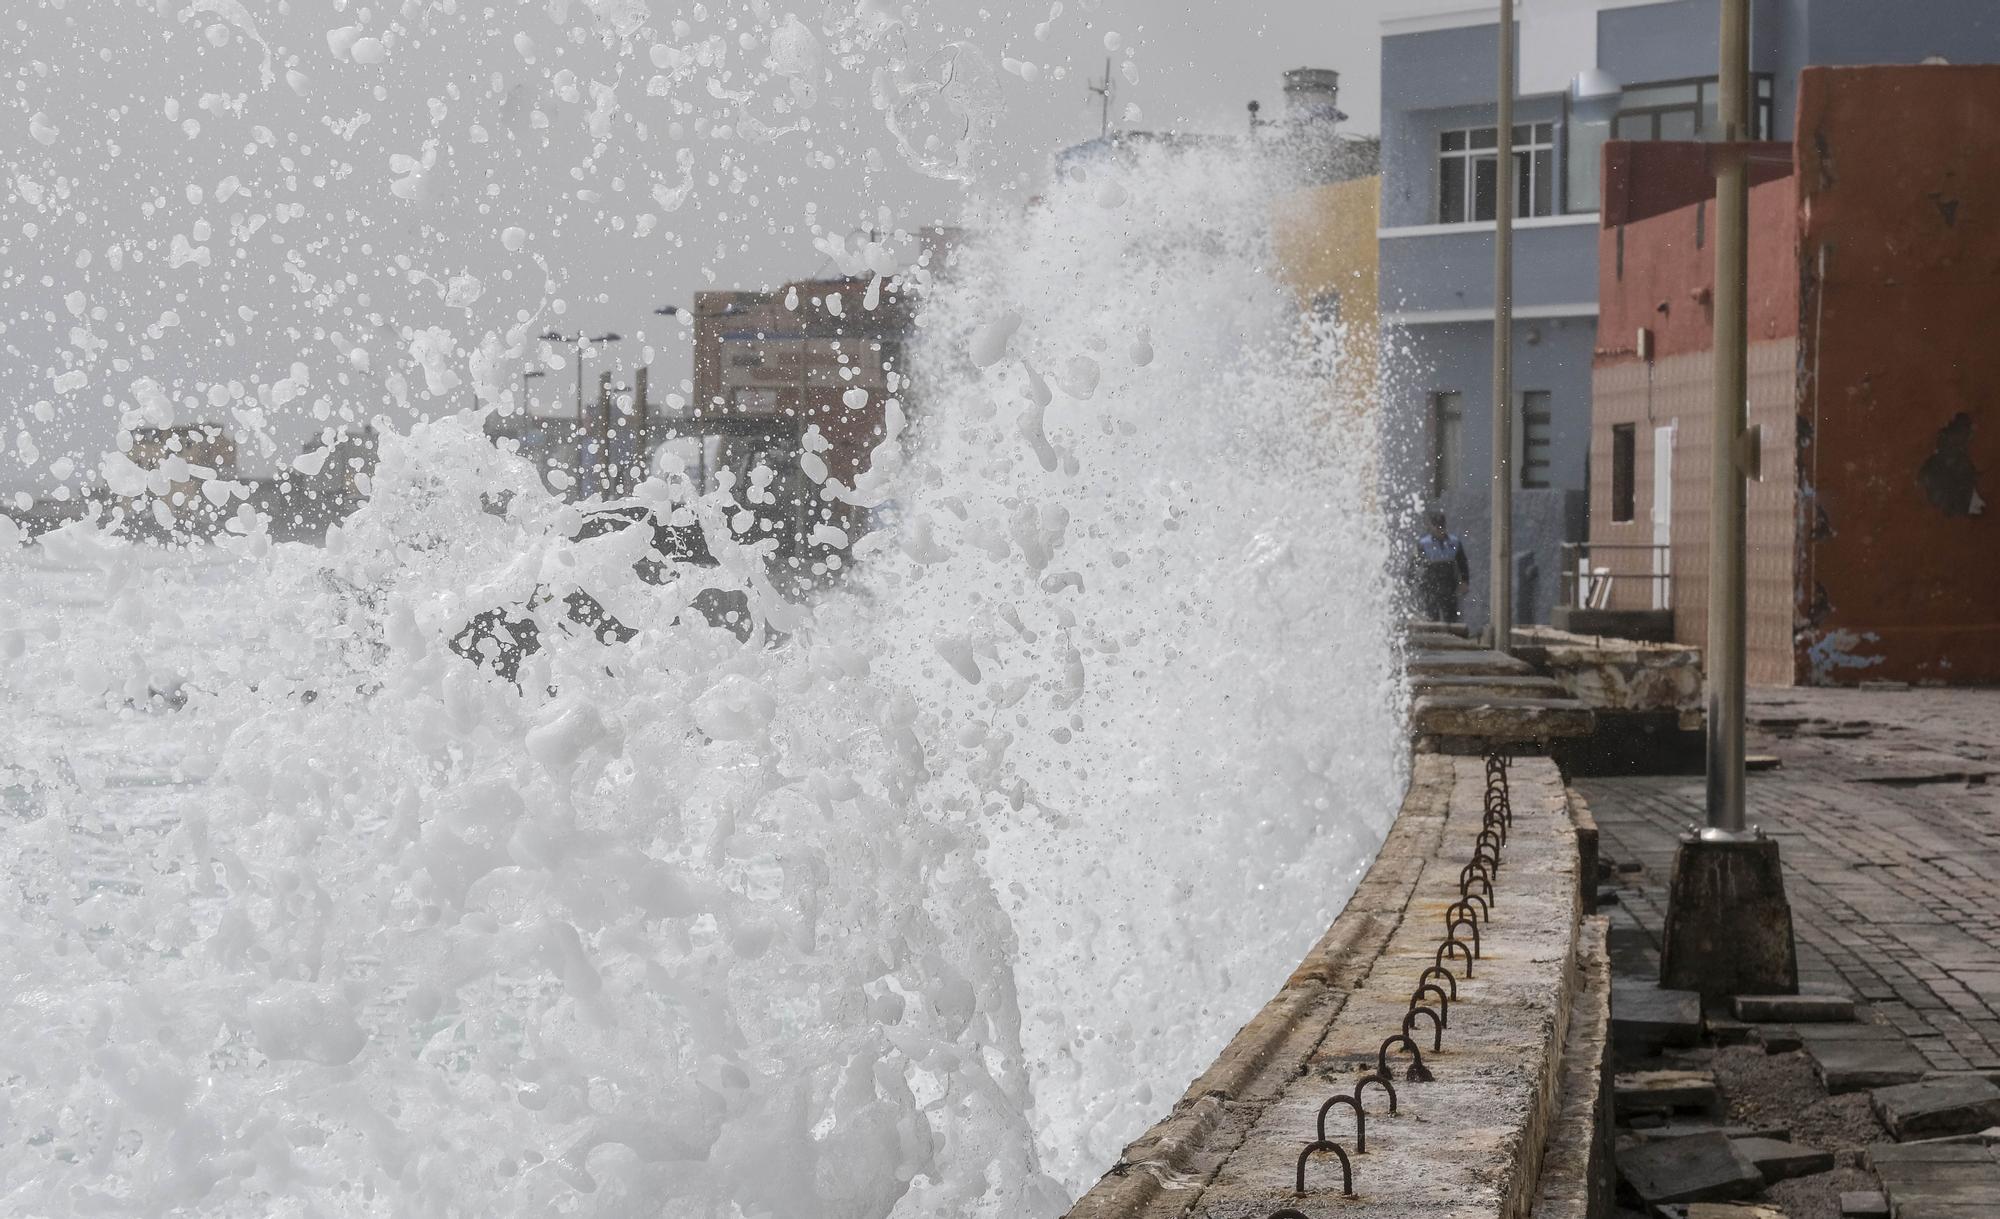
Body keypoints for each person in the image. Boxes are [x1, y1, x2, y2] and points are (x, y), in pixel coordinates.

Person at [1414, 509, 1471, 623]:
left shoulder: (1454, 542)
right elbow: (1414, 562)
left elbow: (1462, 562)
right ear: (1431, 527)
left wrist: (1464, 581)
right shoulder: (1424, 544)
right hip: (1430, 584)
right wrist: (1410, 578)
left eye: (1441, 527)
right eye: (1436, 526)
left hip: (1449, 584)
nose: (1439, 530)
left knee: (1451, 615)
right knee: (1431, 615)